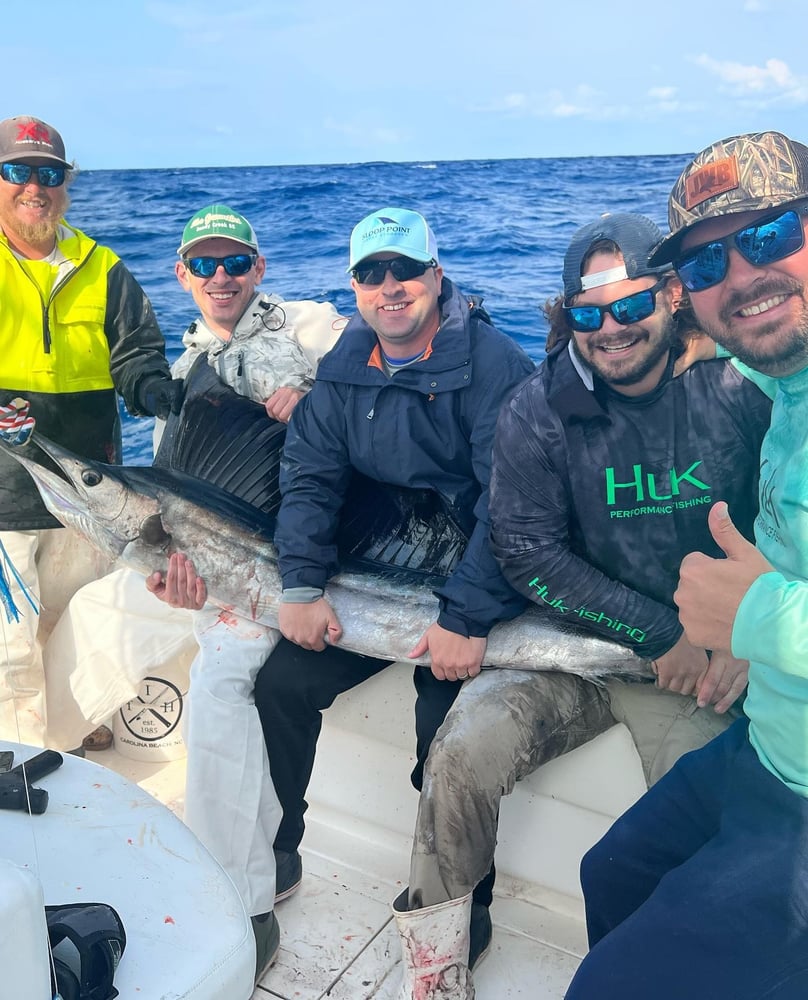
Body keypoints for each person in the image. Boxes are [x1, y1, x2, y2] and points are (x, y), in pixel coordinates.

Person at [391, 212, 771, 997]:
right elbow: (525, 548)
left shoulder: (742, 379)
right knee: (457, 757)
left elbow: (786, 514)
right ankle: (434, 964)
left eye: (631, 307)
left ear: (672, 297)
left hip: (712, 661)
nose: (613, 330)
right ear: (569, 320)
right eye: (590, 316)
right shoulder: (540, 406)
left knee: (723, 841)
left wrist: (743, 630)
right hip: (578, 649)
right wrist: (657, 632)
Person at [42, 203, 346, 983]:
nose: (221, 277)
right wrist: (169, 578)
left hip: (298, 569)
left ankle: (243, 904)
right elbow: (165, 524)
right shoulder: (186, 373)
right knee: (93, 613)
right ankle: (66, 802)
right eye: (204, 265)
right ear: (182, 276)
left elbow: (376, 385)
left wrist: (320, 399)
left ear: (259, 269)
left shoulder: (314, 329)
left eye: (235, 262)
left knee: (216, 687)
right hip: (206, 569)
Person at [251, 206, 535, 996]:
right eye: (371, 275)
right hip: (383, 567)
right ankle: (279, 853)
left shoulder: (496, 366)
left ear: (436, 279)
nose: (390, 287)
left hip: (474, 573)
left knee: (443, 732)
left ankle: (459, 904)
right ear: (354, 289)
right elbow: (309, 479)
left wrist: (467, 615)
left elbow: (513, 508)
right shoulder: (343, 367)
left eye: (405, 271)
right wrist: (302, 583)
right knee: (278, 684)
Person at [564, 130, 808, 1000]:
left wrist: (760, 618)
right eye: (705, 267)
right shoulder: (784, 379)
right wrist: (680, 343)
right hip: (769, 750)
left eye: (772, 236)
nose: (742, 276)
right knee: (611, 874)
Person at [0, 114, 180, 748]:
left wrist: (153, 389)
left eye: (50, 174)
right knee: (12, 652)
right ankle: (20, 771)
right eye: (17, 171)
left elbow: (136, 354)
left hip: (91, 495)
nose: (35, 187)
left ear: (66, 185)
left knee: (84, 626)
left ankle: (76, 739)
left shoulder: (101, 267)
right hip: (7, 501)